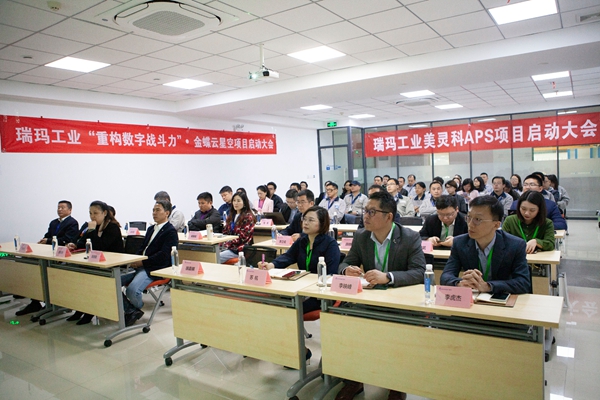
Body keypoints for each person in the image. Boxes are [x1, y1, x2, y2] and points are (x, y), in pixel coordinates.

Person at [337, 191, 425, 400]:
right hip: (370, 299)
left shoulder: (409, 237)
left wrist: (388, 277)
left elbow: (419, 272)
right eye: (365, 211)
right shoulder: (361, 236)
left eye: (371, 212)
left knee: (396, 336)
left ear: (388, 216)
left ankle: (397, 384)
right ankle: (354, 379)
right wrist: (346, 270)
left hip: (399, 301)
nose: (365, 216)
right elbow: (345, 262)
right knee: (344, 323)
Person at [259, 206, 340, 364]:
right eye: (304, 219)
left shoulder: (330, 244)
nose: (306, 223)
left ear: (322, 223)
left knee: (287, 309)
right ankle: (294, 350)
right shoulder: (302, 241)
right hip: (301, 289)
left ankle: (301, 352)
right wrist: (271, 265)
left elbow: (331, 274)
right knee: (275, 306)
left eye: (311, 220)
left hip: (320, 294)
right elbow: (288, 257)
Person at [441, 196, 531, 295]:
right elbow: (446, 276)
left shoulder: (515, 245)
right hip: (473, 299)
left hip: (501, 298)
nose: (470, 224)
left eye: (477, 219)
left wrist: (488, 286)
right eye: (469, 217)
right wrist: (460, 283)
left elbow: (523, 283)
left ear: (496, 225)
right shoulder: (460, 242)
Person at [16, 201, 80, 317]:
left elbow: (67, 239)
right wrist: (43, 240)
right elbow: (48, 235)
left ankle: (52, 302)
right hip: (48, 253)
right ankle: (35, 301)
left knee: (49, 273)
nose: (59, 209)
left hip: (61, 255)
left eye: (63, 207)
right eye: (58, 207)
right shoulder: (54, 222)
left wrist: (48, 241)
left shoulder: (72, 223)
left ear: (70, 210)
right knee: (33, 268)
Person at [122, 200, 179, 327]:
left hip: (155, 268)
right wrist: (135, 259)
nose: (154, 213)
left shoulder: (170, 231)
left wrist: (142, 262)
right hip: (141, 265)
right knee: (113, 283)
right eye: (153, 210)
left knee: (132, 290)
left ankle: (134, 309)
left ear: (167, 213)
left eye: (158, 210)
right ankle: (131, 310)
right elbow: (142, 247)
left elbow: (164, 255)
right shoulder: (151, 229)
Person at [66, 200, 124, 325]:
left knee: (89, 280)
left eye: (95, 213)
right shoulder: (93, 226)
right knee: (78, 276)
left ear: (104, 213)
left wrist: (92, 231)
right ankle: (81, 309)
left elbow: (100, 247)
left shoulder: (112, 227)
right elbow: (83, 242)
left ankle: (89, 311)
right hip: (97, 263)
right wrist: (74, 245)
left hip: (111, 265)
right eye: (90, 213)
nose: (92, 216)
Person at [220, 192, 256, 262]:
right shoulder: (231, 216)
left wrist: (227, 243)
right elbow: (225, 232)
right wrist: (222, 242)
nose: (235, 203)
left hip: (240, 248)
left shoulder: (248, 217)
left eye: (238, 201)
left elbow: (243, 238)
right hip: (229, 246)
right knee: (211, 253)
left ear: (244, 203)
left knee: (217, 257)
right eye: (234, 201)